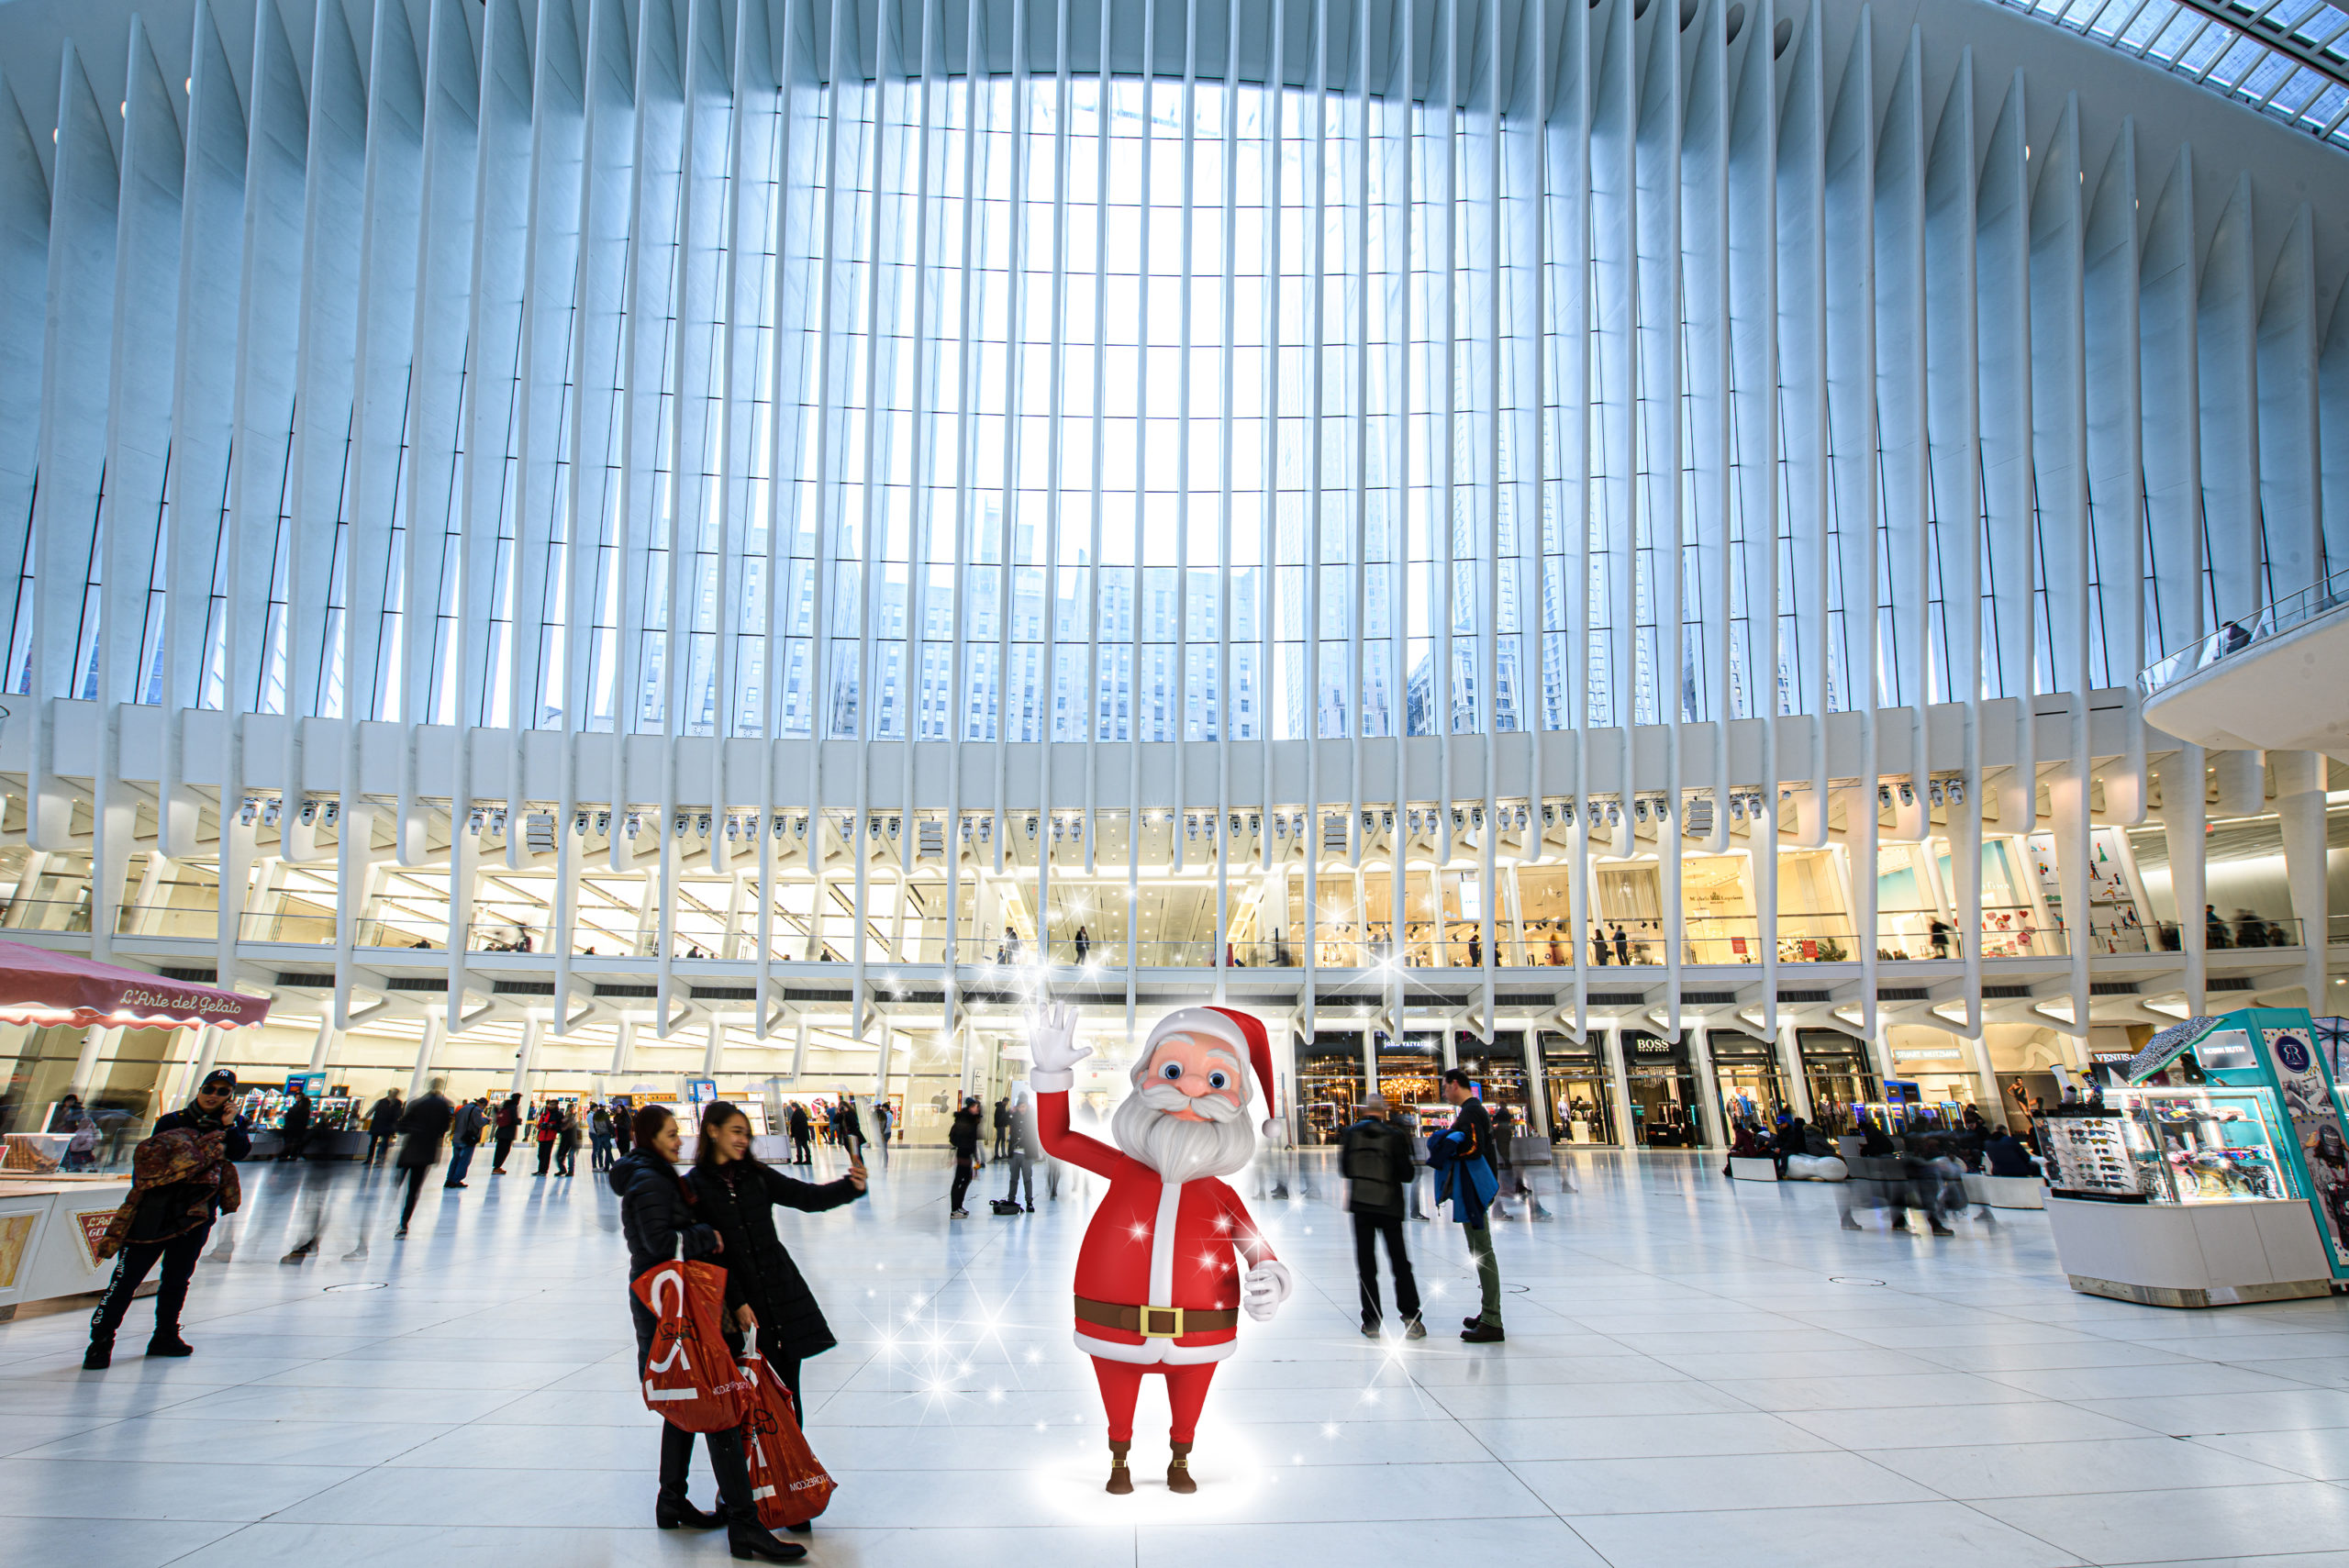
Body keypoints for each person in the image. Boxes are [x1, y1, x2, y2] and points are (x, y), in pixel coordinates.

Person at [1026, 1002, 1293, 1496]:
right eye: (1173, 1070)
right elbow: (1058, 1139)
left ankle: (1181, 1457)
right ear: (1144, 1076)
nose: (1190, 1087)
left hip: (1200, 1326)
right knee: (1116, 1391)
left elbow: (1256, 1246)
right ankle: (1119, 1458)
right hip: (1113, 1320)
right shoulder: (1126, 1169)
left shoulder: (1220, 1193)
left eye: (1216, 1080)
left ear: (1238, 1100)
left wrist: (1272, 1277)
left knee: (1190, 1394)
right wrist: (1051, 1073)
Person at [610, 1105, 805, 1563]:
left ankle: (671, 1500)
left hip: (666, 1304)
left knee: (687, 1401)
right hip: (671, 1308)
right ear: (649, 1138)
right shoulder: (651, 1180)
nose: (679, 1141)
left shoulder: (652, 1174)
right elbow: (661, 1244)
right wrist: (706, 1236)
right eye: (671, 1134)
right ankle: (744, 1525)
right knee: (718, 1404)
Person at [688, 1100, 866, 1537]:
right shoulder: (694, 1187)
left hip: (781, 1300)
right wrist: (737, 1300)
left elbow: (806, 1198)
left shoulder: (756, 1176)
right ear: (711, 1131)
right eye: (734, 1131)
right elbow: (705, 1252)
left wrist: (850, 1186)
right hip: (736, 1312)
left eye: (746, 1133)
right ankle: (738, 1497)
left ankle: (791, 1489)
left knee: (787, 1396)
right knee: (742, 1406)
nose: (742, 1139)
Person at [83, 1068, 248, 1369]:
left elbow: (239, 1152)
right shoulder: (172, 1121)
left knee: (177, 1278)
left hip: (196, 1214)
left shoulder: (233, 1125)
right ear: (200, 1090)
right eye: (209, 1089)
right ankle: (101, 1341)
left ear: (231, 1097)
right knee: (126, 1278)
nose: (214, 1095)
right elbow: (149, 1162)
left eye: (222, 1091)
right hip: (154, 1211)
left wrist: (230, 1126)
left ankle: (165, 1335)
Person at [1339, 1095, 1422, 1340]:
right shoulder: (1394, 1136)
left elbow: (1345, 1170)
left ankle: (1372, 1322)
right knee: (1400, 1263)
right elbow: (1407, 1174)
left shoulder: (1351, 1134)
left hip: (1361, 1208)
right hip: (1390, 1208)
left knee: (1367, 1267)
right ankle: (1411, 1318)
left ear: (1365, 1110)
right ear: (1384, 1110)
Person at [1431, 1068, 1504, 1342]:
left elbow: (1473, 1148)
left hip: (1474, 1191)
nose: (1443, 1091)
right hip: (1473, 1189)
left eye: (1444, 1085)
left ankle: (1493, 1321)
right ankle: (1488, 1313)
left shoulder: (1471, 1112)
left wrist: (1448, 1145)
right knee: (1480, 1251)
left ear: (1455, 1084)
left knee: (1483, 1252)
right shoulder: (1473, 1111)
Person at [394, 1078, 457, 1238]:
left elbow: (401, 1127)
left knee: (401, 1185)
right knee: (414, 1189)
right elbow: (445, 1128)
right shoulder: (444, 1105)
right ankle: (404, 1222)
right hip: (426, 1151)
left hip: (411, 1149)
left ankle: (398, 1218)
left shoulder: (416, 1103)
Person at [1002, 1087, 1039, 1211]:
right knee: (1013, 1178)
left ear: (1027, 1106)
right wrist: (1009, 1112)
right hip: (1014, 1153)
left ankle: (1029, 1201)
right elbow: (1001, 1121)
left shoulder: (1032, 1117)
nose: (1022, 1109)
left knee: (1027, 1178)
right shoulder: (1013, 1116)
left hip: (1027, 1154)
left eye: (1024, 1106)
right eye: (1020, 1107)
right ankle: (1011, 1200)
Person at [948, 1095, 981, 1218]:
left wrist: (975, 1156)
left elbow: (973, 1140)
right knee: (959, 1180)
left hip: (967, 1154)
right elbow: (963, 1138)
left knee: (965, 1180)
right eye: (976, 1107)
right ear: (971, 1107)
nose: (977, 1109)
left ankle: (958, 1206)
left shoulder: (971, 1119)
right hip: (963, 1154)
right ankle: (954, 1209)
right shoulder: (964, 1120)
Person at [445, 1095, 489, 1188]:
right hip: (467, 1139)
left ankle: (449, 1179)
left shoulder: (462, 1109)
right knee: (464, 1160)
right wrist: (487, 1120)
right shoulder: (476, 1110)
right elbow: (479, 1123)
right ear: (482, 1105)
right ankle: (456, 1180)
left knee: (455, 1159)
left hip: (457, 1137)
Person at [364, 1086, 403, 1167]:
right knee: (373, 1142)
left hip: (387, 1125)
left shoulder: (398, 1103)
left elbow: (398, 1114)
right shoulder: (381, 1102)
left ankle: (380, 1159)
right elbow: (372, 1109)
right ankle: (370, 1157)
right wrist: (366, 1117)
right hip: (378, 1123)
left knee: (384, 1142)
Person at [278, 1084, 313, 1162]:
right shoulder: (305, 1111)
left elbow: (288, 1119)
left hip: (290, 1129)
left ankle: (285, 1155)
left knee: (290, 1143)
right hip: (297, 1130)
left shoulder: (292, 1109)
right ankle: (292, 1155)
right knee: (295, 1143)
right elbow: (304, 1121)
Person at [491, 1093, 521, 1173]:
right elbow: (514, 1119)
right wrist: (519, 1121)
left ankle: (496, 1166)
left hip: (501, 1131)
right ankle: (497, 1167)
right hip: (508, 1133)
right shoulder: (513, 1107)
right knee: (504, 1150)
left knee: (499, 1150)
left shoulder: (505, 1105)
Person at [557, 1102, 583, 1176]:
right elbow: (562, 1128)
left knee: (571, 1155)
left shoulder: (576, 1118)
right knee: (560, 1155)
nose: (571, 1110)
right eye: (570, 1109)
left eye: (573, 1108)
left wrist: (579, 1141)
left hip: (574, 1140)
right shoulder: (565, 1117)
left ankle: (571, 1171)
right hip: (566, 1140)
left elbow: (578, 1130)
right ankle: (563, 1169)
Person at [535, 1100, 561, 1174]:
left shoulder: (558, 1115)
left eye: (553, 1105)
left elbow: (560, 1126)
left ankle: (544, 1170)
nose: (551, 1106)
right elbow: (539, 1124)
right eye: (550, 1104)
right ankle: (540, 1170)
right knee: (540, 1154)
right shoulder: (544, 1114)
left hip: (550, 1137)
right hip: (542, 1137)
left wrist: (552, 1126)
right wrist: (541, 1126)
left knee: (546, 1154)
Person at [591, 1102, 615, 1172]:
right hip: (606, 1134)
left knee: (605, 1150)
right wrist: (613, 1133)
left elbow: (594, 1126)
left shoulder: (595, 1115)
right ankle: (607, 1167)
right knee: (608, 1151)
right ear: (604, 1106)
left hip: (599, 1134)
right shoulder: (605, 1115)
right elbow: (609, 1125)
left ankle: (611, 1164)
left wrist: (597, 1132)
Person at [788, 1101, 812, 1166]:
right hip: (804, 1132)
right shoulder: (802, 1113)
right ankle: (808, 1159)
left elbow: (793, 1124)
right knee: (805, 1146)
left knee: (798, 1146)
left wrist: (792, 1133)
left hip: (798, 1133)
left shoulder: (796, 1113)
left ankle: (799, 1159)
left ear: (794, 1107)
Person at [992, 1096, 1010, 1160]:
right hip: (1000, 1126)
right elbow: (1001, 1117)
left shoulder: (1001, 1107)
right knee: (999, 1139)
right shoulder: (1000, 1108)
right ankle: (998, 1154)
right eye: (1007, 1102)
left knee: (1002, 1139)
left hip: (1001, 1125)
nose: (1007, 1103)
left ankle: (1002, 1153)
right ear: (1004, 1101)